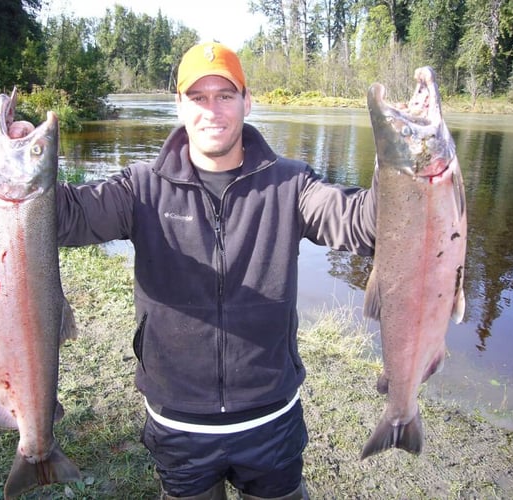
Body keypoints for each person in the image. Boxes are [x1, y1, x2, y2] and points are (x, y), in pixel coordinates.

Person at [56, 42, 377, 500]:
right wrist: (20, 166)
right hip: (177, 421)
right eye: (198, 97)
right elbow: (64, 216)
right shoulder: (141, 187)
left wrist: (408, 173)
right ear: (180, 106)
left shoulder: (290, 183)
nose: (213, 111)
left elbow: (360, 222)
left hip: (270, 417)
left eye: (225, 96)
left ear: (247, 102)